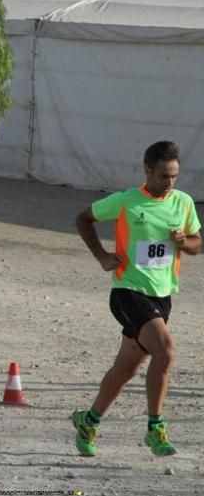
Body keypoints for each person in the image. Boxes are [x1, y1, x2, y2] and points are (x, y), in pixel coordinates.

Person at [71, 141, 200, 457]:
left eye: (174, 176)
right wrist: (102, 256)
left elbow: (198, 244)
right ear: (147, 171)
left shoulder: (183, 203)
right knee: (166, 352)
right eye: (163, 176)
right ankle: (155, 428)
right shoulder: (127, 202)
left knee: (125, 369)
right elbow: (83, 219)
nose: (169, 183)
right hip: (128, 293)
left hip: (162, 297)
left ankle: (88, 421)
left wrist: (185, 242)